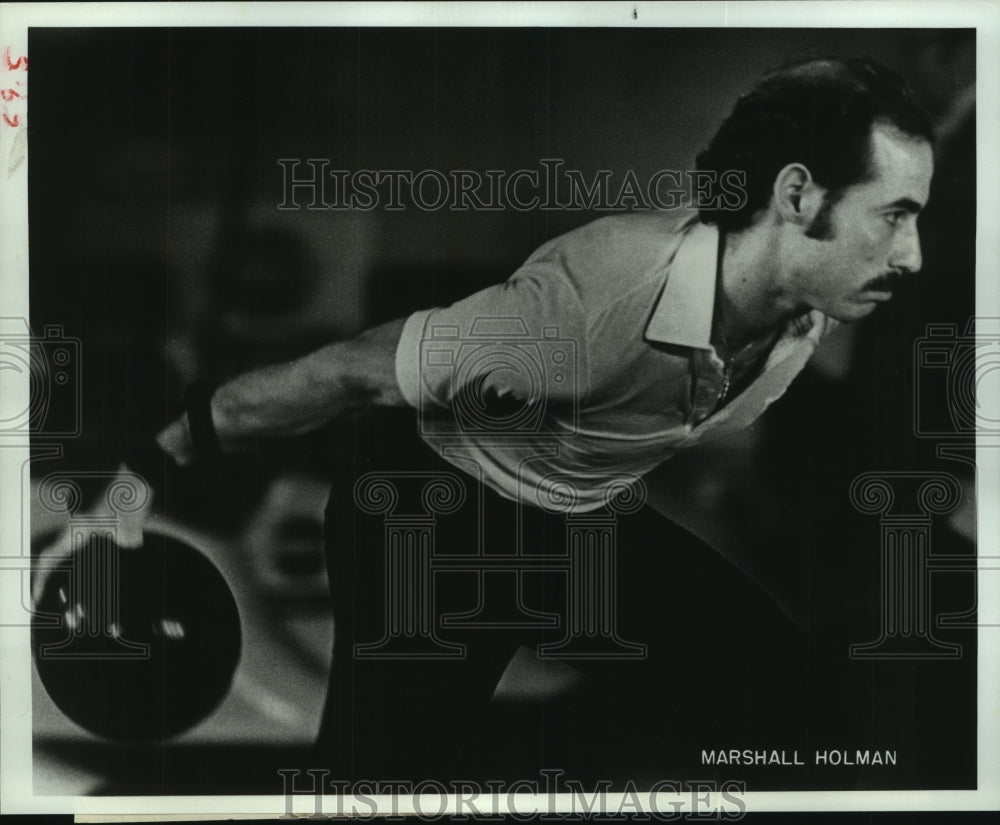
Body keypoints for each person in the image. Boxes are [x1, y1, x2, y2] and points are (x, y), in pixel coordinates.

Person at [156, 57, 935, 780]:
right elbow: (349, 370)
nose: (912, 255)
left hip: (572, 513)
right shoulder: (599, 302)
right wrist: (159, 453)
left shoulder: (808, 312)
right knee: (383, 782)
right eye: (894, 217)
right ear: (796, 197)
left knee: (786, 689)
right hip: (433, 510)